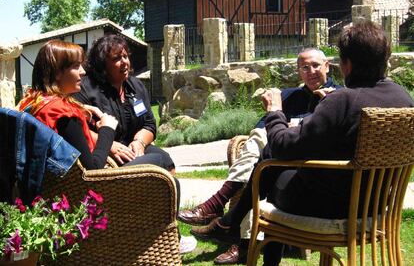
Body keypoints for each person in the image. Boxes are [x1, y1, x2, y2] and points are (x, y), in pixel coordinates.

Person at [190, 20, 414, 265]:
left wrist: (275, 112)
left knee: (272, 166)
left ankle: (232, 224)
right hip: (377, 207)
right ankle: (229, 221)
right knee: (275, 165)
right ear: (384, 58)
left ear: (346, 64)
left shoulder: (343, 100)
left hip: (330, 208)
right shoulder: (403, 99)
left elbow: (284, 146)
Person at [178, 48, 341, 264]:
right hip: (276, 159)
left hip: (307, 170)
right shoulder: (289, 96)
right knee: (257, 142)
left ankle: (227, 216)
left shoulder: (338, 97)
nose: (310, 71)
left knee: (265, 165)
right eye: (304, 67)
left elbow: (319, 135)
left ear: (327, 66)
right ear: (298, 71)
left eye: (315, 65)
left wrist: (290, 126)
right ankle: (240, 234)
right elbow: (262, 125)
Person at [74, 34, 175, 172]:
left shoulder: (136, 86)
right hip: (103, 153)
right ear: (102, 64)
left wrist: (139, 142)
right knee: (159, 161)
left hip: (132, 147)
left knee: (166, 160)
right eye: (116, 58)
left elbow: (149, 124)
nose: (124, 62)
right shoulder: (85, 89)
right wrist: (110, 146)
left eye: (125, 56)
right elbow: (78, 131)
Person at [18, 40, 118, 170]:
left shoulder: (32, 99)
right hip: (84, 188)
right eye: (76, 66)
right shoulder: (65, 116)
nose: (83, 72)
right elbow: (92, 170)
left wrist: (82, 108)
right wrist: (107, 129)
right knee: (153, 159)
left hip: (43, 184)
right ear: (56, 72)